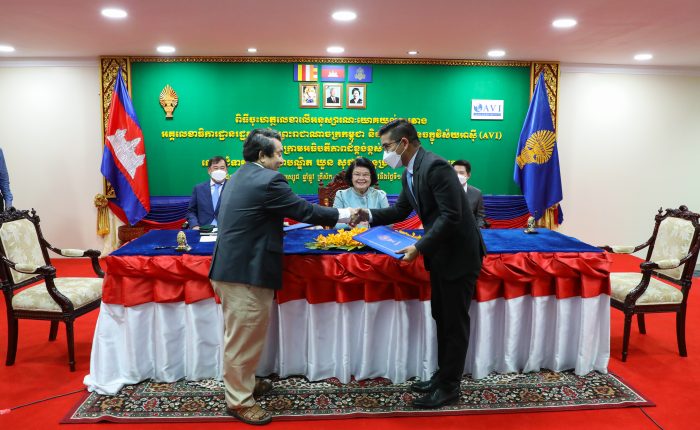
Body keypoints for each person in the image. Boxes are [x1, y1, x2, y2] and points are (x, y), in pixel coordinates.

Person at [209, 128, 362, 425]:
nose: (282, 159)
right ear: (261, 155)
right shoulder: (269, 180)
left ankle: (244, 383)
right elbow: (303, 210)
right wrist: (346, 215)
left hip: (233, 269)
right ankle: (239, 401)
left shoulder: (239, 175)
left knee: (243, 335)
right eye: (278, 153)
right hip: (245, 273)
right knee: (242, 339)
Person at [361, 119, 485, 409]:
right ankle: (443, 376)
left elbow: (451, 216)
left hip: (459, 256)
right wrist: (367, 215)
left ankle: (450, 387)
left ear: (403, 143)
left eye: (386, 147)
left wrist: (418, 247)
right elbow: (399, 210)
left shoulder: (435, 167)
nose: (384, 154)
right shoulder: (410, 172)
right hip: (440, 255)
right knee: (442, 316)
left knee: (454, 323)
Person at [333, 157, 389, 229]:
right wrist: (359, 224)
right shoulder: (341, 195)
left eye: (365, 174)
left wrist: (368, 225)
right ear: (351, 177)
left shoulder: (380, 195)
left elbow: (389, 223)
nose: (361, 178)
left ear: (371, 177)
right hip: (349, 235)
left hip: (375, 235)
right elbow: (335, 223)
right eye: (357, 174)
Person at [186, 155, 228, 229]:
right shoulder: (198, 189)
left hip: (226, 230)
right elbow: (191, 211)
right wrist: (195, 225)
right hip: (203, 230)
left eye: (222, 168)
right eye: (215, 168)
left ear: (226, 170)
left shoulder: (233, 188)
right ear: (209, 170)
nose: (219, 171)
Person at [452, 160, 486, 228]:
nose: (457, 176)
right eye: (455, 172)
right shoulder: (442, 191)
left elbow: (480, 217)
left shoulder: (477, 193)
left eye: (461, 173)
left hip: (469, 230)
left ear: (468, 175)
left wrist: (478, 228)